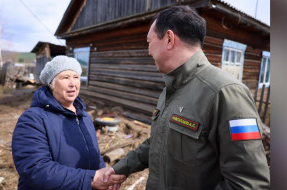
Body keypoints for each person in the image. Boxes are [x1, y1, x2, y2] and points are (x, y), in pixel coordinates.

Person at [106, 5, 270, 190]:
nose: (149, 51)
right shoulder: (172, 87)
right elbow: (158, 141)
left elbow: (248, 183)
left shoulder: (226, 92)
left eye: (149, 42)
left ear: (168, 38)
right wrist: (121, 168)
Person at [12, 55, 126, 190]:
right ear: (51, 84)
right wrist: (91, 179)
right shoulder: (33, 119)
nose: (73, 83)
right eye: (65, 77)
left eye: (76, 77)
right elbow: (36, 171)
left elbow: (95, 156)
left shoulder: (84, 117)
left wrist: (105, 178)